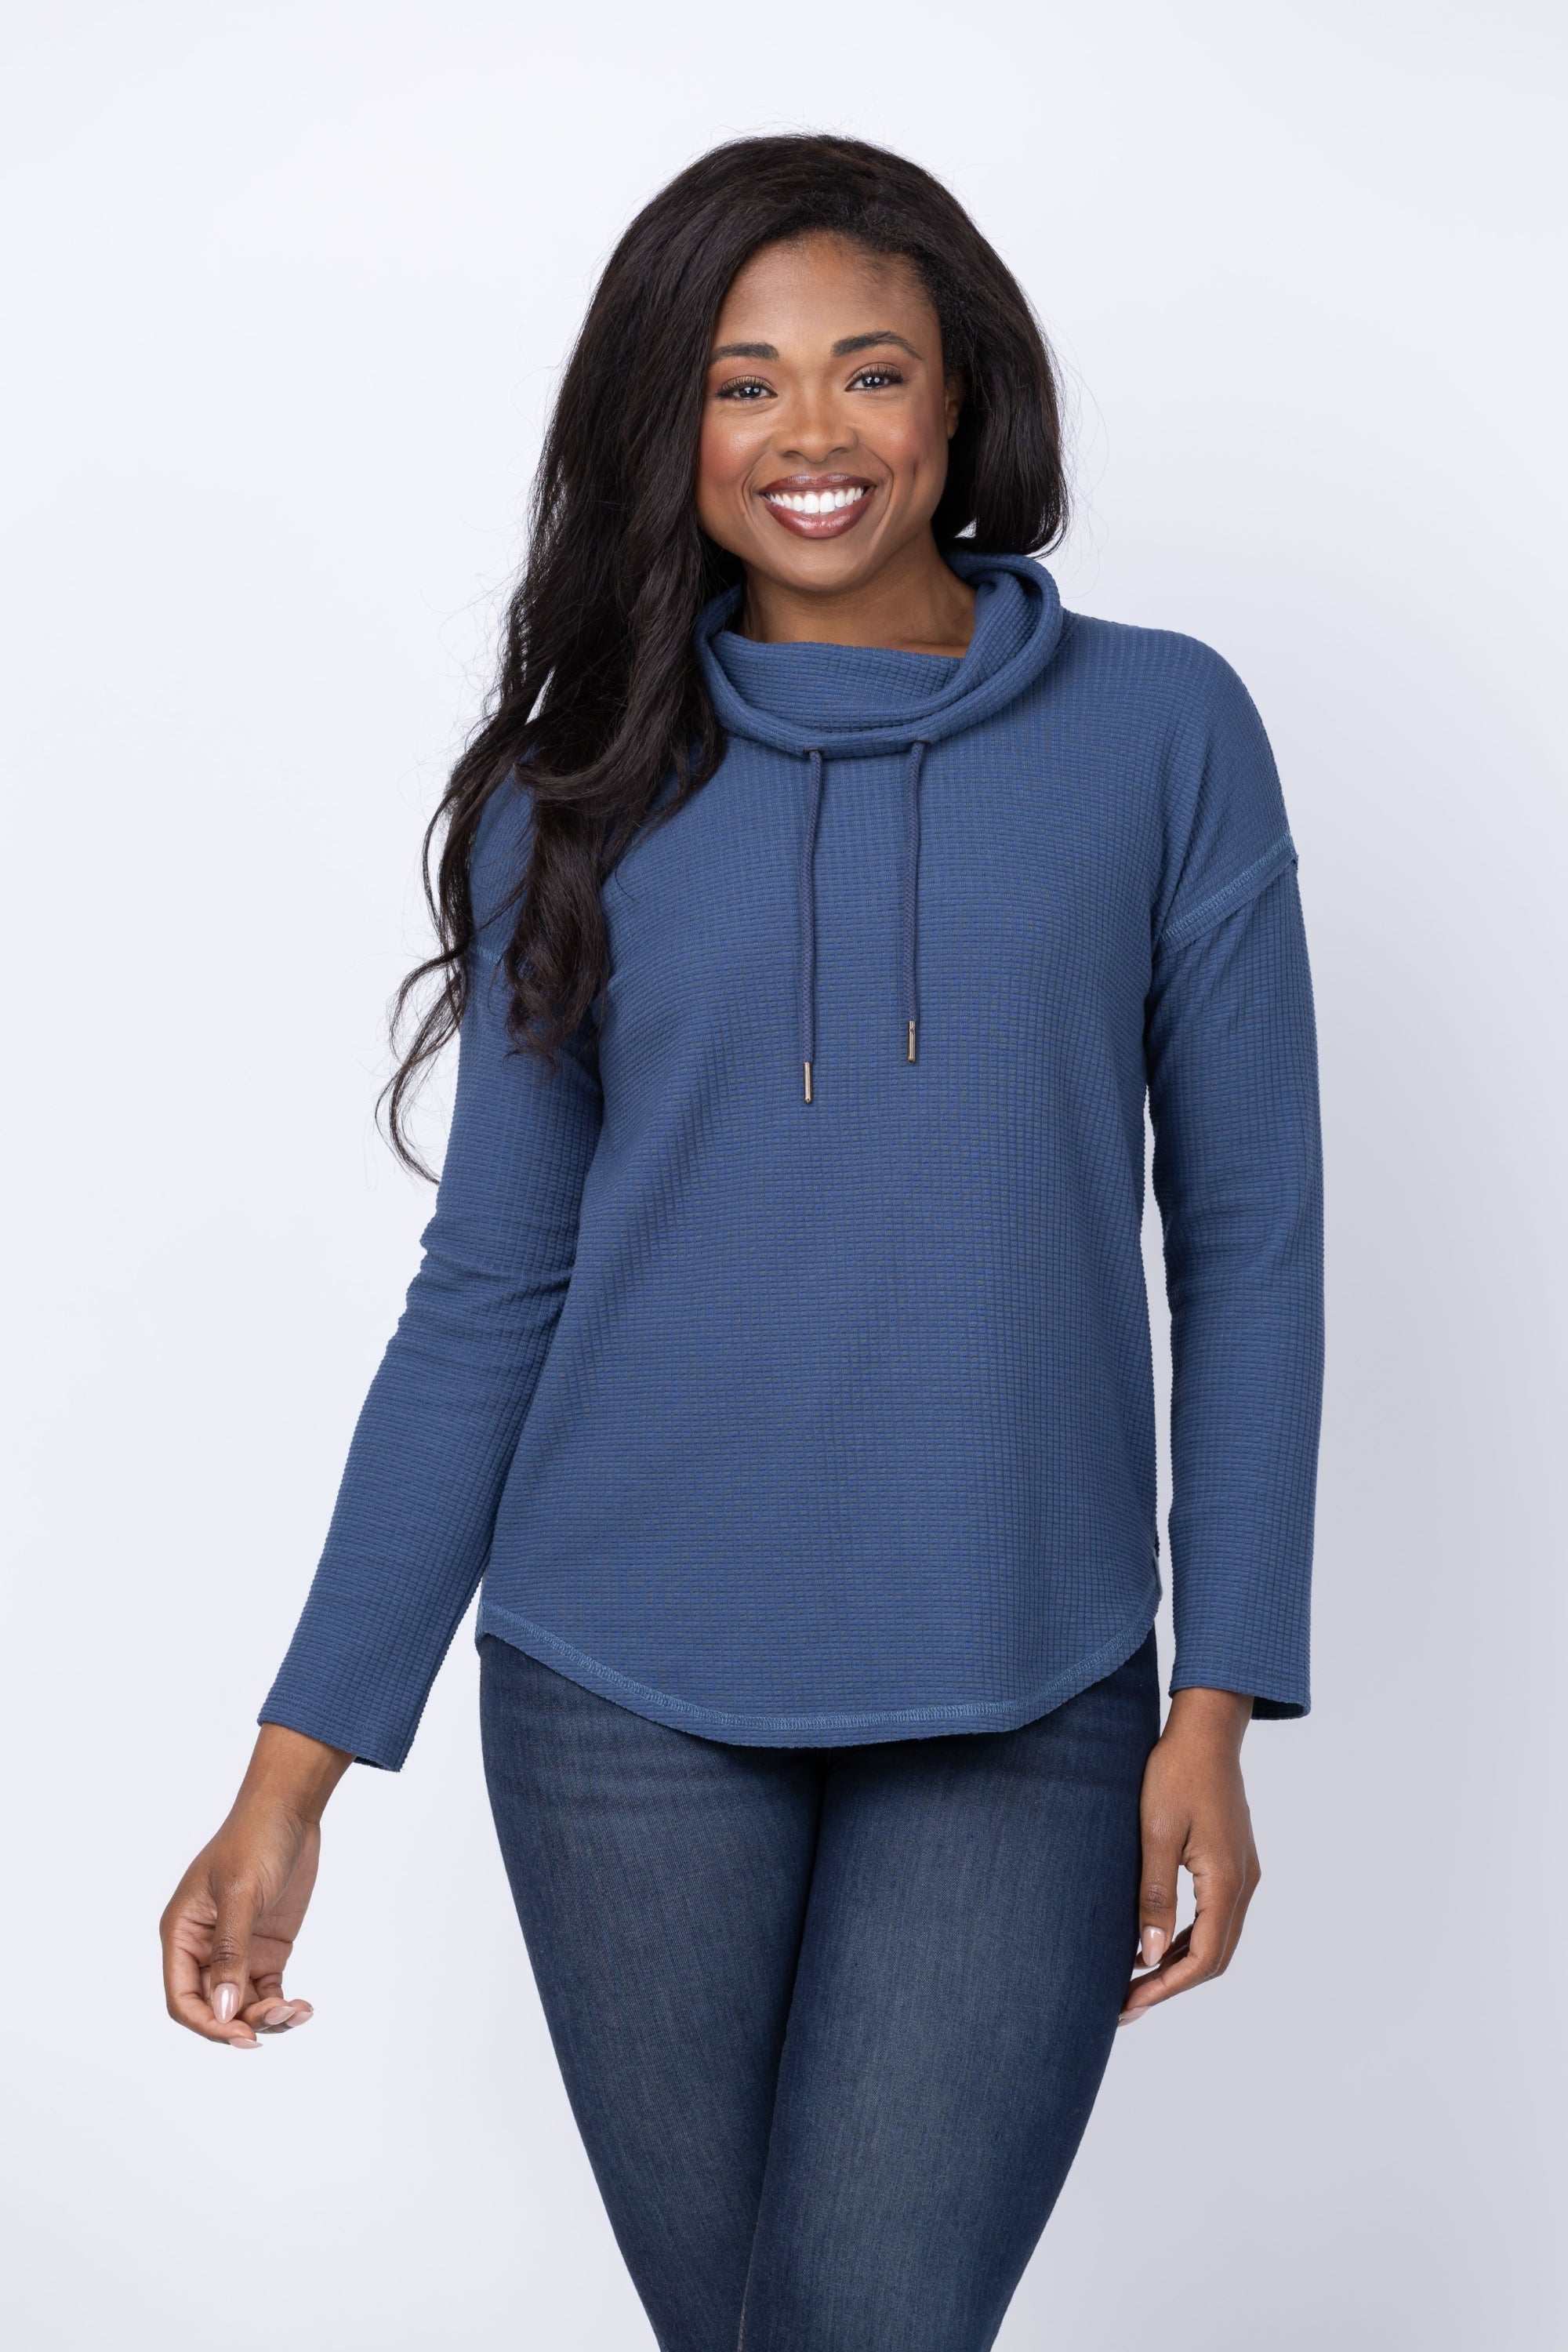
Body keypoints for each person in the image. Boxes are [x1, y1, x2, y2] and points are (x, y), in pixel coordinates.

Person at [160, 134, 1323, 2352]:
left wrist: (1222, 1697)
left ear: (959, 400)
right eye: (742, 382)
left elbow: (1253, 1236)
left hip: (1025, 1671)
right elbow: (493, 1289)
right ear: (666, 428)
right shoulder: (571, 787)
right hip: (620, 1698)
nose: (814, 434)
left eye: (870, 372)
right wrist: (292, 1778)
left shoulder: (1162, 731)